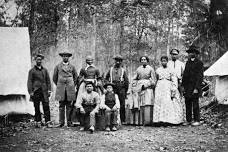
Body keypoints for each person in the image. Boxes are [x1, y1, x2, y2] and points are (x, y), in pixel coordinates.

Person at [153, 55, 185, 125]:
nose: (163, 62)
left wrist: (173, 88)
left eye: (165, 61)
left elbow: (174, 80)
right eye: (162, 61)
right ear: (161, 62)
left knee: (166, 102)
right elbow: (156, 79)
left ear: (167, 61)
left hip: (167, 86)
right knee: (159, 102)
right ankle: (158, 120)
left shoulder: (171, 70)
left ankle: (167, 120)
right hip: (160, 86)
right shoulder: (158, 70)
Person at [53, 50, 78, 127]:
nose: (65, 57)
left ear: (69, 57)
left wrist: (72, 84)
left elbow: (76, 77)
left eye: (67, 56)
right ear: (62, 57)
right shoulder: (58, 66)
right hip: (61, 88)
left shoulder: (72, 67)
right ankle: (61, 122)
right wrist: (59, 84)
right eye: (64, 56)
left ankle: (69, 122)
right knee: (61, 105)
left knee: (69, 105)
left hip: (70, 88)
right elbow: (54, 78)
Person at [27, 54, 52, 128]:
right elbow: (29, 82)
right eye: (38, 59)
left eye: (40, 60)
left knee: (46, 106)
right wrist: (31, 92)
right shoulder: (32, 71)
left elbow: (48, 81)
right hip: (36, 91)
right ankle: (38, 122)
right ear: (35, 60)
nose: (39, 61)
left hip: (44, 91)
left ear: (42, 61)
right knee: (36, 106)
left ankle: (48, 122)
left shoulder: (45, 70)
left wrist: (49, 90)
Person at [182, 46, 204, 126]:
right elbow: (185, 75)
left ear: (196, 53)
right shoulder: (187, 62)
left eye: (193, 52)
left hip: (195, 87)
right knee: (187, 103)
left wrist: (197, 88)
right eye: (190, 52)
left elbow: (200, 76)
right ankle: (188, 120)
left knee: (195, 104)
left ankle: (197, 120)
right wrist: (183, 86)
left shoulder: (199, 63)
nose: (191, 54)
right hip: (187, 87)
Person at [131, 56, 156, 125]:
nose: (143, 61)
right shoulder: (138, 69)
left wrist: (147, 85)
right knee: (140, 103)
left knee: (147, 103)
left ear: (147, 61)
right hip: (139, 87)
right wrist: (134, 85)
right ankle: (140, 121)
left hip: (148, 88)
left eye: (145, 60)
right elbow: (135, 78)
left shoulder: (151, 69)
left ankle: (148, 121)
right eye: (142, 60)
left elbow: (154, 80)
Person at [105, 55, 129, 124]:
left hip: (121, 88)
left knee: (122, 104)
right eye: (116, 60)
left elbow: (126, 81)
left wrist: (125, 91)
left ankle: (122, 120)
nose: (118, 62)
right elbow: (106, 78)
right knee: (112, 102)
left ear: (121, 62)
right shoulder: (111, 69)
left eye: (119, 61)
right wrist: (108, 85)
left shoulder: (123, 70)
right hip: (113, 87)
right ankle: (112, 120)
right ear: (114, 61)